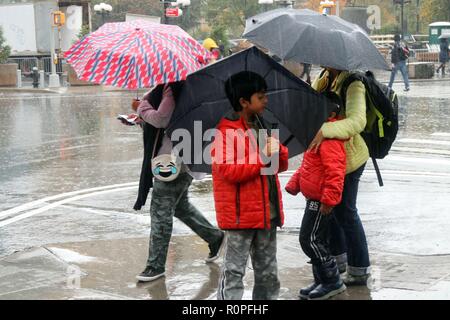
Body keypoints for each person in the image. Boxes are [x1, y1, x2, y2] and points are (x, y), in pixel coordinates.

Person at [134, 82, 225, 282]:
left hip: (172, 162)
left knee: (160, 213)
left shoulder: (172, 87)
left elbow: (162, 118)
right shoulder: (192, 85)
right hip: (186, 157)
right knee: (181, 206)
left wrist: (143, 108)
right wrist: (141, 119)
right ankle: (215, 237)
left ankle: (155, 265)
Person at [211, 71, 289, 300]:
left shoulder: (262, 126)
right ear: (244, 102)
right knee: (234, 270)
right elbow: (229, 171)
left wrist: (279, 150)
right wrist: (263, 155)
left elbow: (277, 166)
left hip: (267, 211)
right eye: (260, 96)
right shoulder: (224, 133)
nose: (266, 100)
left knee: (268, 271)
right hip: (240, 216)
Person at [309, 67, 371, 286]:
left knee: (346, 211)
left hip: (351, 157)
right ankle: (339, 260)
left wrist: (326, 129)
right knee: (332, 211)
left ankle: (360, 269)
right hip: (330, 157)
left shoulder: (354, 83)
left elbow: (357, 121)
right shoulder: (323, 77)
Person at [285, 92, 347, 300]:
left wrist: (329, 200)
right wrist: (295, 184)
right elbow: (308, 166)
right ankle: (321, 279)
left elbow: (335, 172)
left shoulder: (330, 139)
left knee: (309, 239)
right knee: (315, 238)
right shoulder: (318, 134)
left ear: (330, 113)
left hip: (321, 200)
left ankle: (332, 280)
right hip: (312, 198)